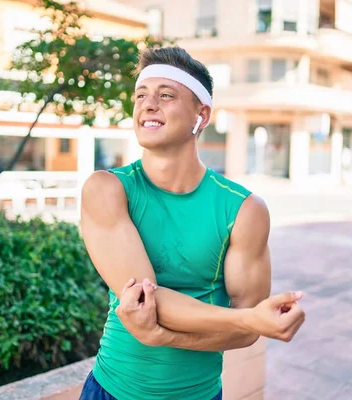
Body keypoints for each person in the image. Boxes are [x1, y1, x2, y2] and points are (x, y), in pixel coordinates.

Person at [79, 46, 306, 400]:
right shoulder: (107, 189)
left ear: (201, 115)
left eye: (166, 95)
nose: (148, 105)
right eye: (141, 95)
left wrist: (164, 337)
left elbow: (247, 333)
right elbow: (143, 299)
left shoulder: (244, 210)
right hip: (111, 389)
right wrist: (251, 319)